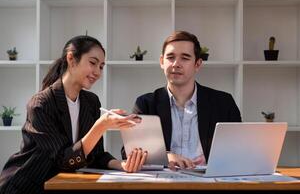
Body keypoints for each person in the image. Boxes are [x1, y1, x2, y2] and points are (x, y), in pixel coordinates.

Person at [0, 35, 147, 194]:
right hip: (27, 186)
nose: (97, 72)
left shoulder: (91, 102)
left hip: (62, 184)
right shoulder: (41, 104)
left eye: (101, 66)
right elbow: (64, 160)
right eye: (93, 63)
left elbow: (95, 154)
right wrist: (101, 126)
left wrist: (121, 165)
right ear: (71, 59)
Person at [122, 31, 241, 170]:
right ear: (162, 62)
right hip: (163, 180)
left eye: (185, 58)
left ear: (197, 64)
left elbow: (238, 150)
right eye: (170, 57)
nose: (176, 64)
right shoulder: (146, 103)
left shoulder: (223, 102)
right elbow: (128, 152)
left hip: (210, 181)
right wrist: (166, 156)